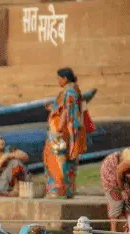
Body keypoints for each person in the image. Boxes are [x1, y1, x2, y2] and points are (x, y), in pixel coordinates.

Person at [43, 67, 87, 198]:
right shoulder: (73, 91)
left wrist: (59, 130)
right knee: (64, 160)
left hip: (62, 133)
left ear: (65, 79)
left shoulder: (70, 93)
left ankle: (59, 189)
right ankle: (66, 190)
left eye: (58, 78)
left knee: (58, 159)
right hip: (65, 133)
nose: (57, 81)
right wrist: (54, 107)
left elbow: (67, 113)